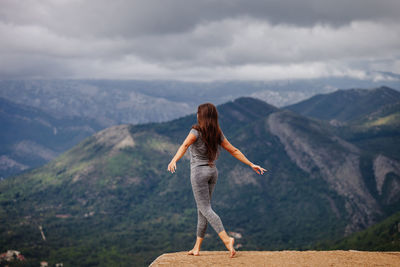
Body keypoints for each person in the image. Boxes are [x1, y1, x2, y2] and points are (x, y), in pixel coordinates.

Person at [167, 102, 267, 258]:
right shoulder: (217, 133)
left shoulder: (195, 131)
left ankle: (227, 240)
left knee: (205, 209)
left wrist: (174, 160)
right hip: (212, 172)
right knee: (203, 211)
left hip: (199, 173)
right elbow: (233, 150)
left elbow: (184, 145)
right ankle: (197, 248)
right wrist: (251, 164)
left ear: (201, 116)